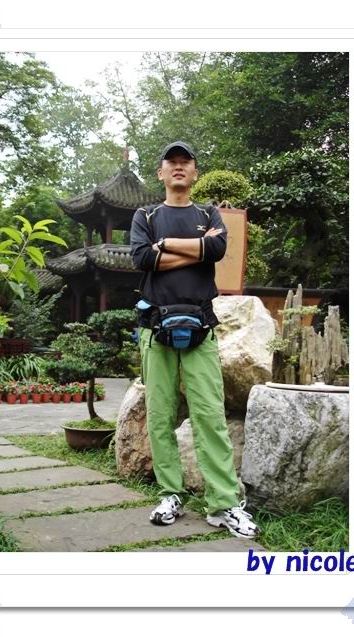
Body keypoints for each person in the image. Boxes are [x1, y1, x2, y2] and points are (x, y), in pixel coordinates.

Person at [129, 141, 259, 539]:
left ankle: (223, 502)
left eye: (186, 162)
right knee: (160, 415)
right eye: (172, 162)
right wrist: (198, 250)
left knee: (209, 414)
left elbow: (217, 249)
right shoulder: (146, 215)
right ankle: (171, 494)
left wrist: (166, 245)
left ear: (195, 173)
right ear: (161, 173)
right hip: (156, 328)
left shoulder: (207, 213)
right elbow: (141, 258)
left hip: (201, 326)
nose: (179, 167)